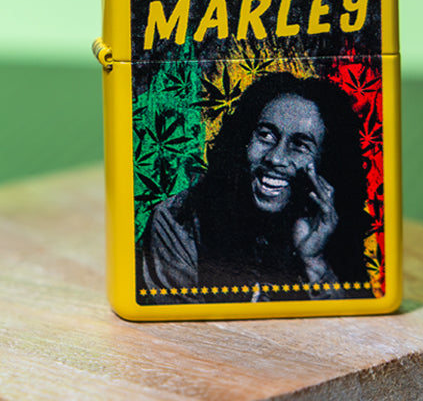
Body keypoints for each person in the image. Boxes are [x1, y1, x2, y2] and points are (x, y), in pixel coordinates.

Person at [137, 72, 371, 304]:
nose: (276, 158)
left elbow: (352, 331)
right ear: (244, 140)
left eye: (299, 145)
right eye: (266, 135)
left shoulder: (330, 225)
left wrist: (314, 261)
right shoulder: (178, 219)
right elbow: (181, 332)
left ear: (327, 162)